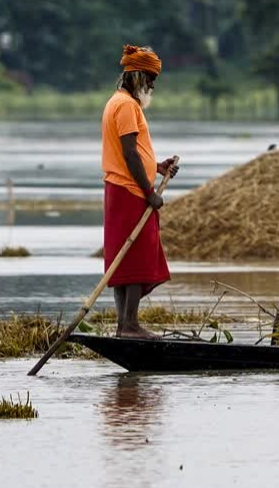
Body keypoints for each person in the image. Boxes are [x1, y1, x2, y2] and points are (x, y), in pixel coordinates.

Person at [102, 45, 179, 339]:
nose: (153, 84)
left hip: (123, 188)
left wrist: (157, 167)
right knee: (135, 257)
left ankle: (124, 326)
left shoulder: (120, 103)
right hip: (130, 191)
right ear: (136, 76)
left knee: (125, 258)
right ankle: (130, 325)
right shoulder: (125, 106)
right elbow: (130, 154)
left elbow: (136, 155)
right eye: (149, 77)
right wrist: (149, 192)